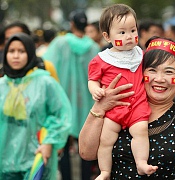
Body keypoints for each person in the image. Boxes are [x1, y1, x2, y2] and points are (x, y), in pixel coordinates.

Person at [79, 28, 175, 179]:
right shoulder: (117, 107)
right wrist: (99, 107)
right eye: (152, 70)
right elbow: (86, 152)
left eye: (169, 72)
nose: (159, 79)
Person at [88, 4, 158, 179]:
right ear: (107, 36)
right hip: (114, 108)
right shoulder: (102, 59)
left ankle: (141, 163)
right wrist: (95, 90)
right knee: (105, 140)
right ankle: (104, 171)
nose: (129, 36)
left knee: (141, 131)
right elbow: (92, 79)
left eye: (133, 30)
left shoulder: (141, 55)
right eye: (122, 32)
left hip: (137, 105)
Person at [0, 33, 71, 180]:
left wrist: (49, 142)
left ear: (31, 53)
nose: (16, 56)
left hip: (35, 158)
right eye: (11, 51)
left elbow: (61, 115)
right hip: (4, 162)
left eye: (21, 51)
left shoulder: (44, 83)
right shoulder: (2, 86)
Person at [43, 9, 100, 180]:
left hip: (63, 102)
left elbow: (46, 66)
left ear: (71, 24)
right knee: (86, 147)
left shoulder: (60, 43)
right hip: (87, 104)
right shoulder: (94, 47)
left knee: (64, 146)